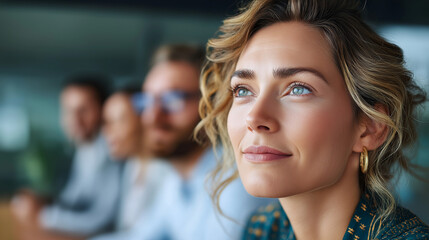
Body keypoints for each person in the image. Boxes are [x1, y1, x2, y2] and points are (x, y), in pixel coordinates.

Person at [197, 0, 429, 239]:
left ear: (370, 127)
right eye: (243, 90)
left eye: (298, 89)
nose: (254, 117)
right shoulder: (262, 229)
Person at [124, 44, 273, 240]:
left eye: (172, 99)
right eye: (148, 100)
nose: (153, 116)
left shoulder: (235, 183)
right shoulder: (176, 180)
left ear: (213, 105)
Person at [11, 75, 123, 238]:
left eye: (83, 110)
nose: (75, 120)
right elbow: (74, 200)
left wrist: (43, 215)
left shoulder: (111, 152)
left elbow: (103, 221)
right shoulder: (83, 150)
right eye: (68, 110)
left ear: (103, 111)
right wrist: (43, 202)